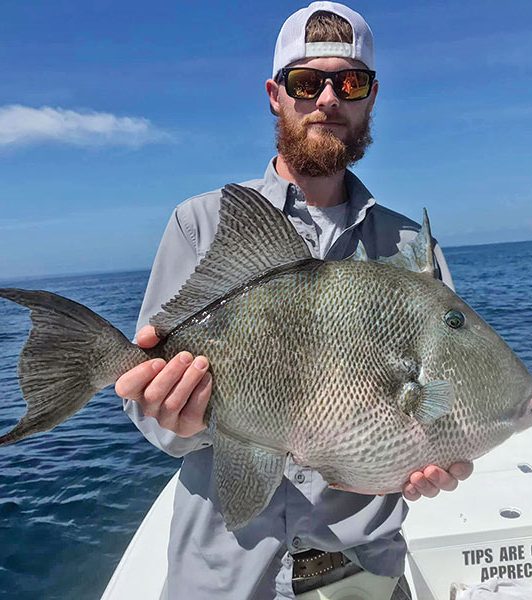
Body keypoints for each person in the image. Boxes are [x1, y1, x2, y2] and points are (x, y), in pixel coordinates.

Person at [115, 3, 473, 598]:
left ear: (372, 98)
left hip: (363, 574)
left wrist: (437, 449)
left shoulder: (413, 247)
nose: (328, 99)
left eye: (349, 82)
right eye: (306, 82)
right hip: (224, 577)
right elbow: (153, 420)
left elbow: (436, 391)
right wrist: (175, 416)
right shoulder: (203, 224)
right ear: (275, 95)